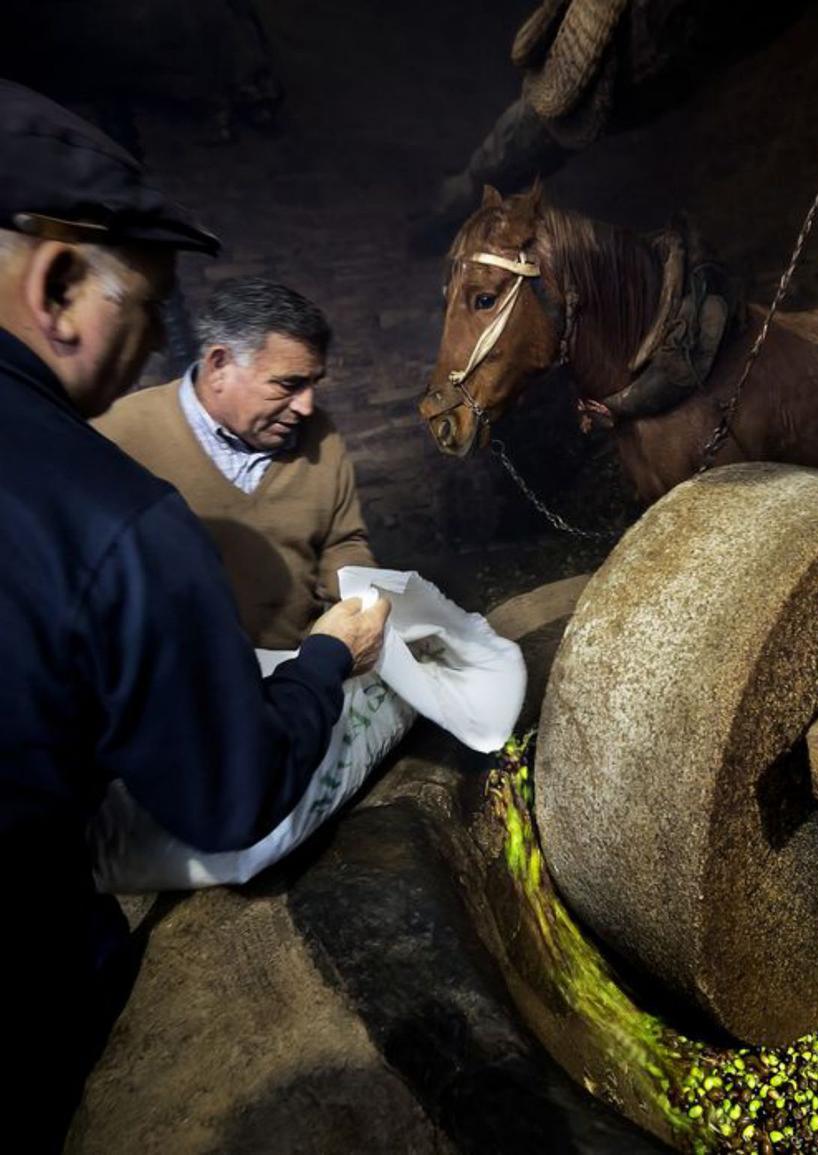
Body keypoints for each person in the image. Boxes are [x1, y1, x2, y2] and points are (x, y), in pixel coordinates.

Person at [0, 81, 388, 1146]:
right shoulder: (117, 475)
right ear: (62, 282)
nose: (306, 409)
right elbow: (231, 790)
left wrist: (358, 592)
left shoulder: (323, 453)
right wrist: (321, 661)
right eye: (154, 306)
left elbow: (350, 545)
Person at [94, 277, 375, 649]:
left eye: (313, 384)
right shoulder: (118, 436)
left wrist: (369, 607)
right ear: (219, 364)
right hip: (174, 687)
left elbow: (342, 543)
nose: (306, 406)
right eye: (288, 384)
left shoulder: (320, 435)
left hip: (296, 679)